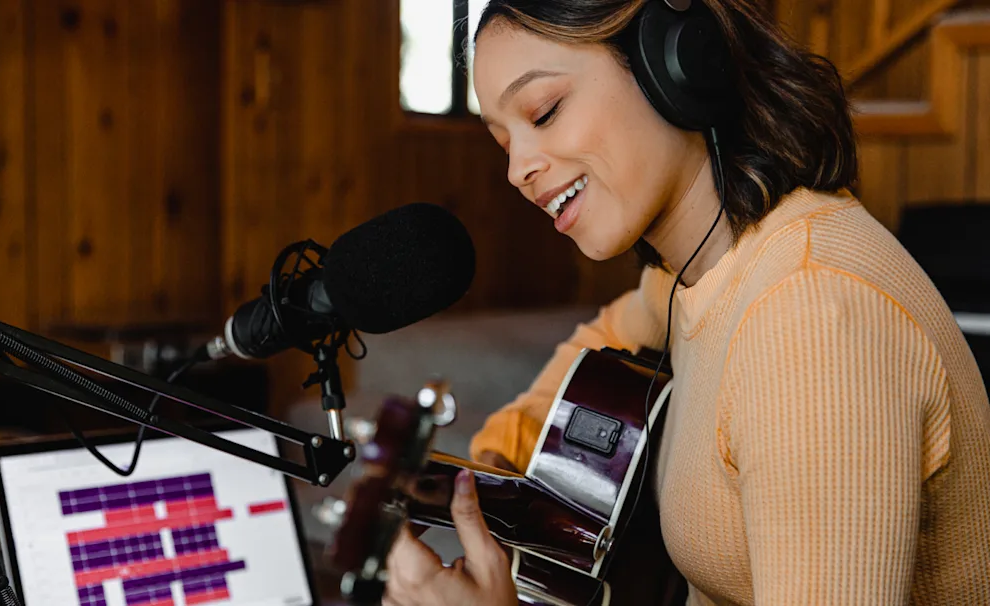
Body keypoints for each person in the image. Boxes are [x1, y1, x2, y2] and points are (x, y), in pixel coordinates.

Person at [380, 0, 990, 605]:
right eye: (502, 141)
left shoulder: (811, 312)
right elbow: (605, 335)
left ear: (672, 63)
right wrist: (494, 464)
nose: (518, 170)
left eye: (543, 112)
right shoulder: (696, 276)